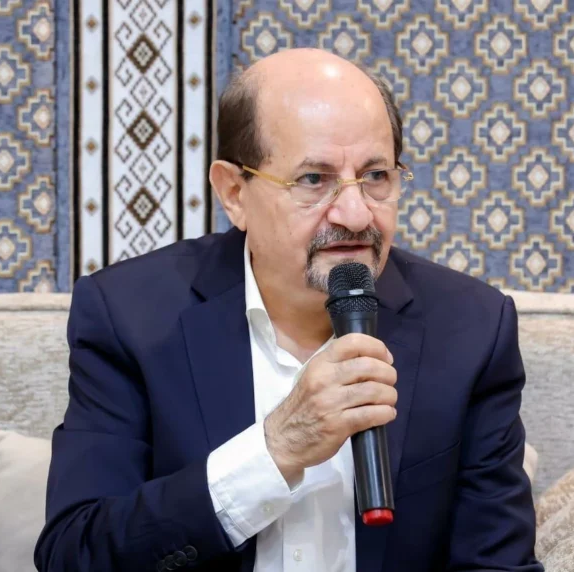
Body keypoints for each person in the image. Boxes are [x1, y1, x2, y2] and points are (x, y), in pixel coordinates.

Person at [35, 48, 542, 571]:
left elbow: (496, 565)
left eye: (375, 176)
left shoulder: (471, 329)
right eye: (314, 180)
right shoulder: (131, 317)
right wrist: (276, 448)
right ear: (234, 193)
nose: (355, 215)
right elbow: (75, 554)